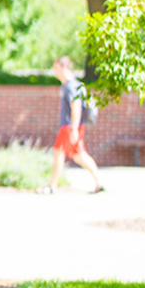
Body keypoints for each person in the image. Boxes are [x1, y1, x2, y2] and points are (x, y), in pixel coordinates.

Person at [39, 56, 104, 194]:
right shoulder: (74, 85)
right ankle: (99, 181)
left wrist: (74, 128)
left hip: (69, 126)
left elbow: (76, 105)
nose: (55, 72)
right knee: (79, 155)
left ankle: (52, 186)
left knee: (58, 153)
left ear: (64, 67)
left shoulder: (70, 86)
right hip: (73, 126)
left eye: (56, 68)